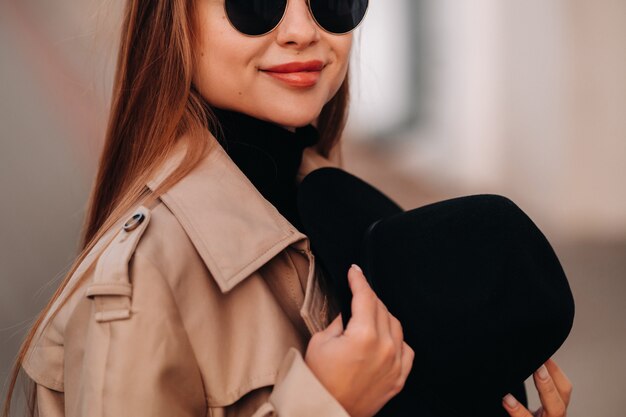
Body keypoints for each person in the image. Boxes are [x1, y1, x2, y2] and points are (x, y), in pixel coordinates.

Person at [3, 1, 572, 417]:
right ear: (174, 18)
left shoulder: (337, 210)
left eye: (330, 0)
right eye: (255, 2)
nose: (303, 31)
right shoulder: (142, 281)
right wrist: (322, 407)